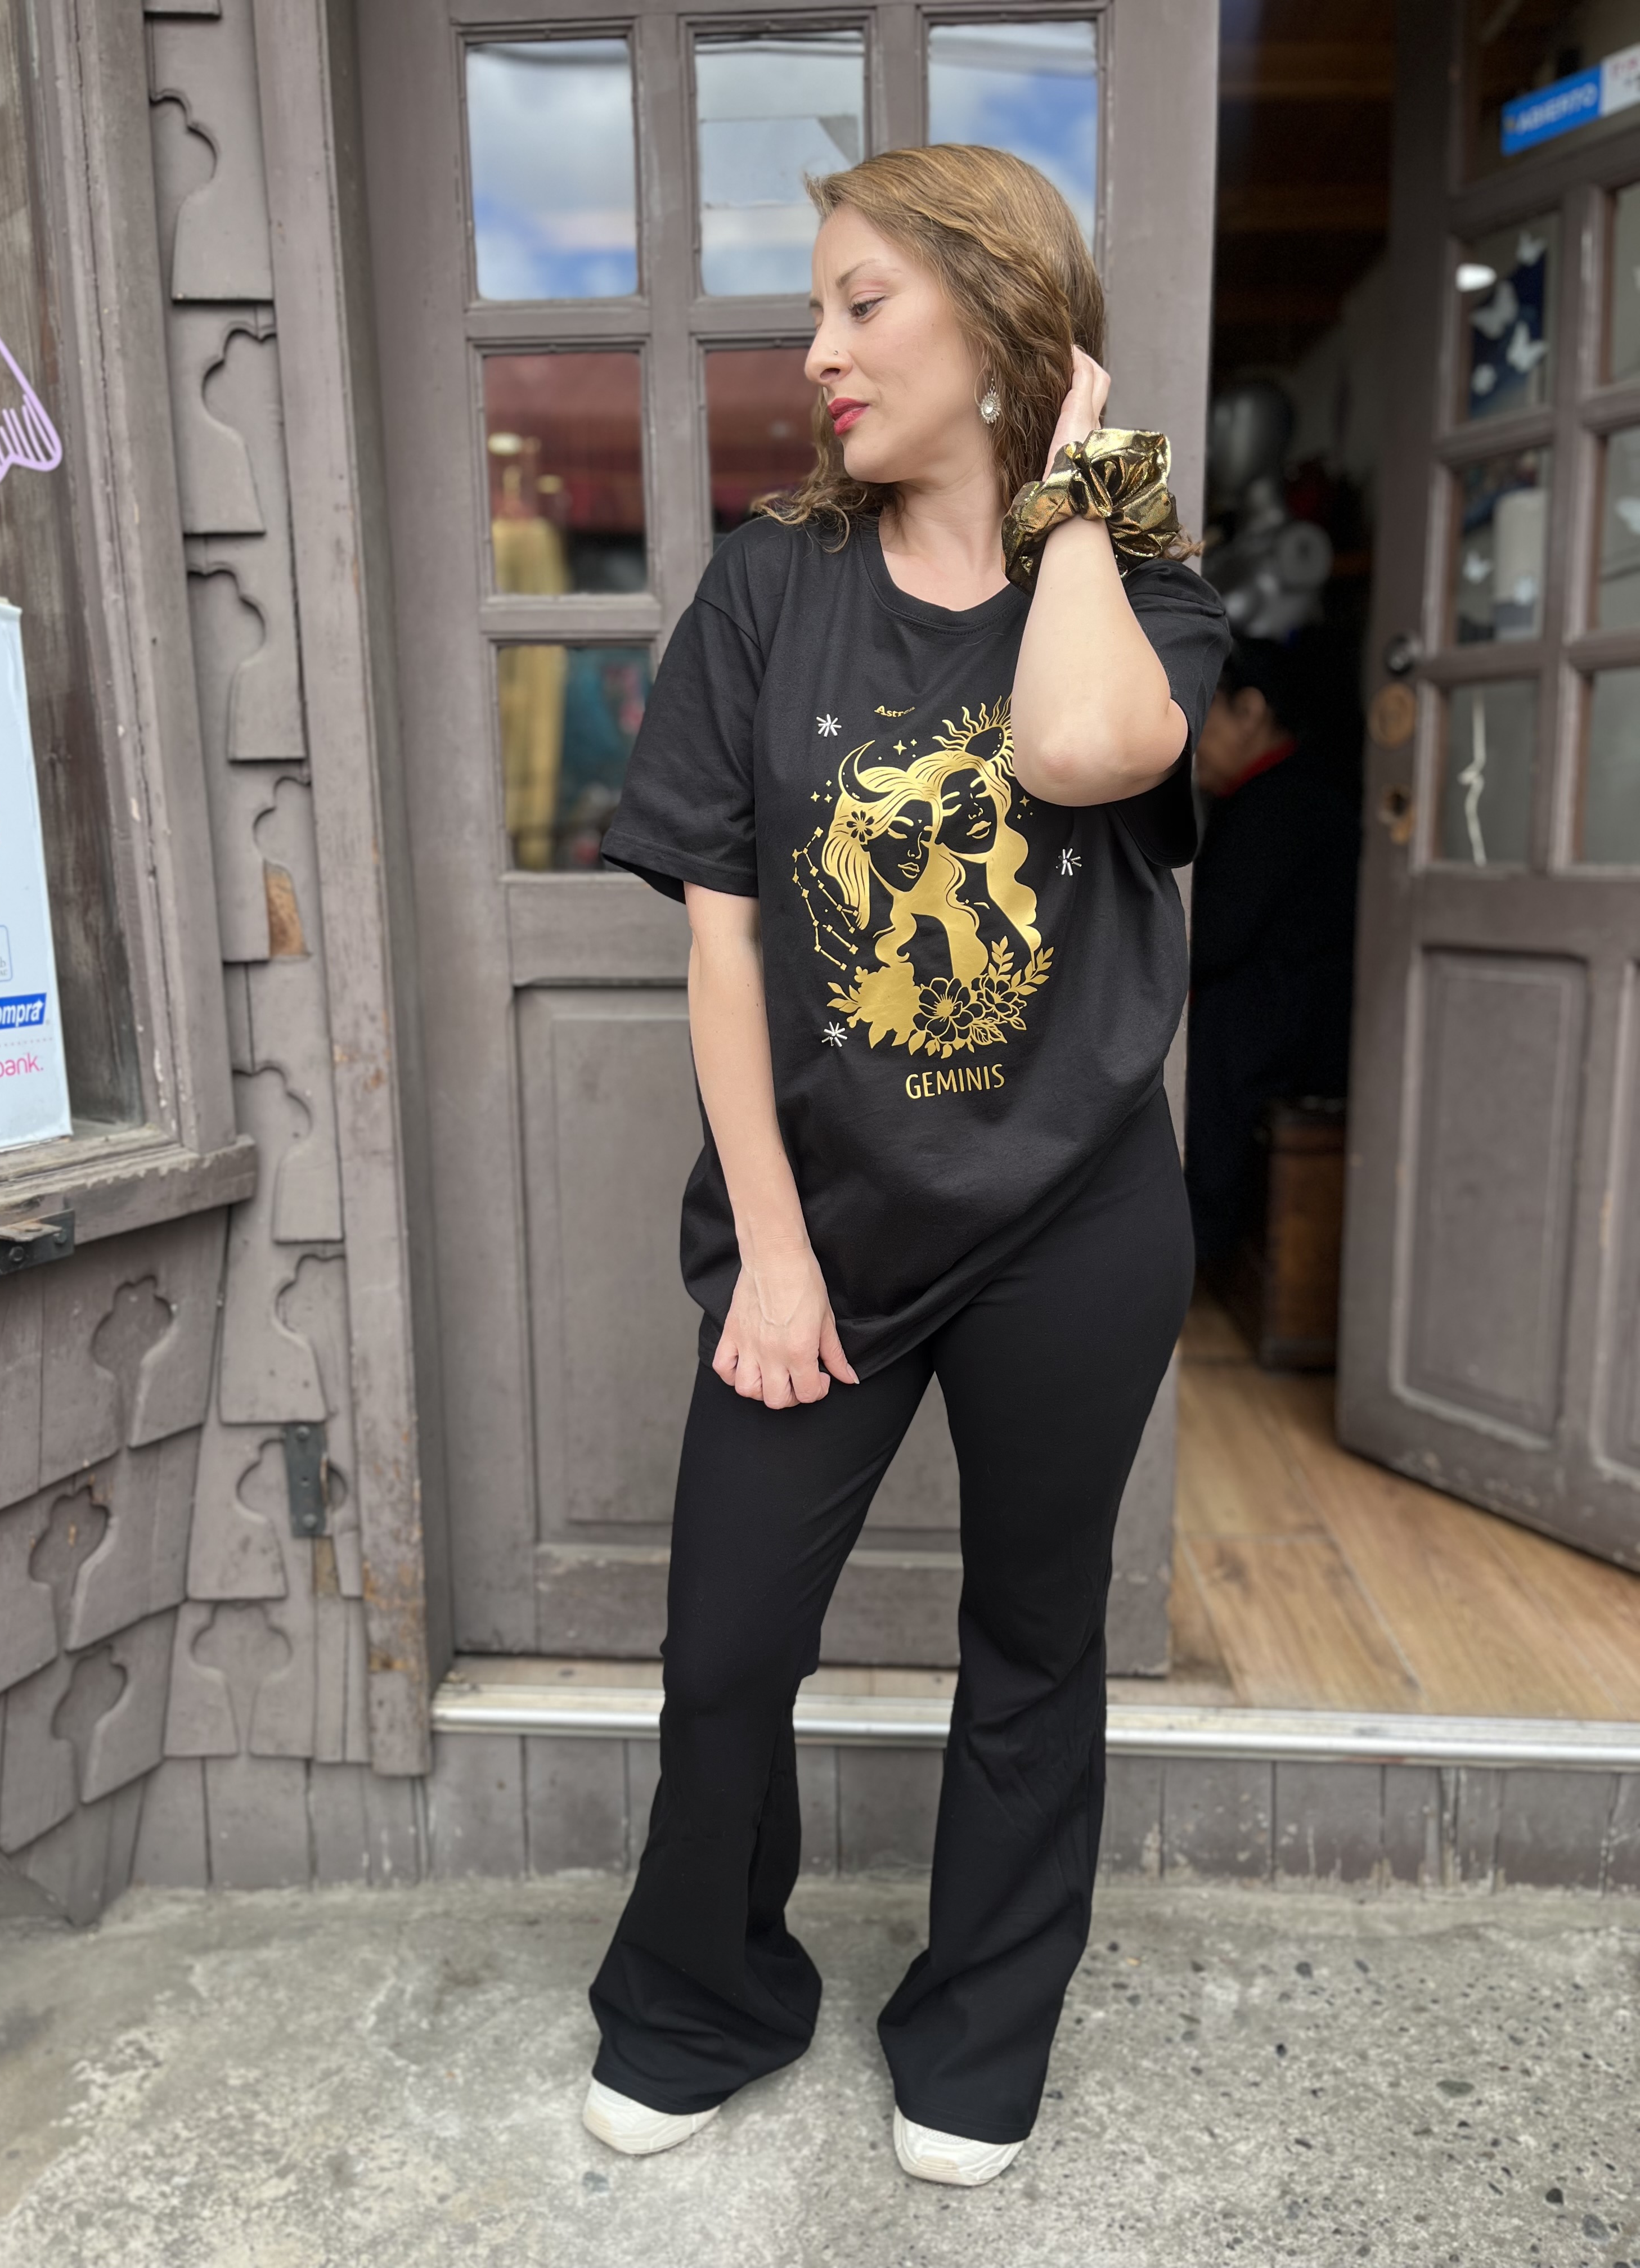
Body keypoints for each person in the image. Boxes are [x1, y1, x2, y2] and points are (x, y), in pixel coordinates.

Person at [587, 144, 1229, 2188]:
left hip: (1074, 1220)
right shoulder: (770, 585)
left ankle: (976, 2030)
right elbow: (718, 940)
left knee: (1032, 1641)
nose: (818, 352)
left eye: (862, 303)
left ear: (1001, 315)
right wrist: (772, 1256)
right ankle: (704, 1997)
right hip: (831, 1224)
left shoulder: (1146, 595)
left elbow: (1071, 755)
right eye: (818, 310)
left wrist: (1068, 497)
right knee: (724, 1651)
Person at [1184, 634, 1362, 1271]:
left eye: (1204, 715)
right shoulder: (1283, 793)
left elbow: (1215, 938)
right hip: (1293, 1008)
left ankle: (1198, 1250)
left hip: (1294, 1021)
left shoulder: (1282, 804)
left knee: (1211, 1047)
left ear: (1250, 712)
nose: (1191, 743)